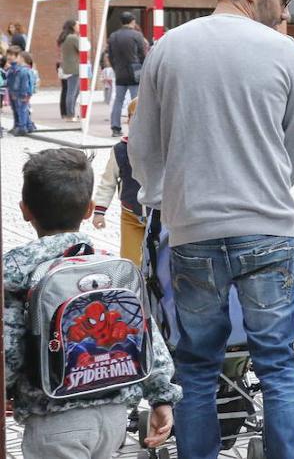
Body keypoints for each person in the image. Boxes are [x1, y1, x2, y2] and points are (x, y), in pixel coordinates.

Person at [129, 0, 294, 459]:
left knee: (197, 367)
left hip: (192, 234)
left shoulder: (168, 48)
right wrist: (265, 191)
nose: (286, 10)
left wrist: (167, 200)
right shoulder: (285, 52)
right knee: (277, 364)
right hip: (269, 229)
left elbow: (142, 148)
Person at [5, 148, 181, 457]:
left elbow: (9, 351)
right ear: (89, 210)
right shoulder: (112, 269)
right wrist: (161, 397)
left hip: (53, 420)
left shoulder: (17, 272)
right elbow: (145, 337)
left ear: (24, 210)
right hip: (113, 417)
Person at [93, 97, 147, 265]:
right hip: (131, 214)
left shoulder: (164, 147)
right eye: (134, 117)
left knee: (161, 259)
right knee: (130, 259)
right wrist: (99, 211)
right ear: (128, 120)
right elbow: (108, 182)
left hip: (161, 215)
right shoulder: (120, 150)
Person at [108, 10, 148, 138]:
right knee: (136, 101)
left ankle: (115, 127)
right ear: (132, 21)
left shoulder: (113, 36)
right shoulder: (136, 35)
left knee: (118, 100)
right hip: (135, 72)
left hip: (120, 72)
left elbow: (111, 55)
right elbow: (142, 54)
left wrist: (115, 68)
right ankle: (138, 128)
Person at [6, 46, 36, 135]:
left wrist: (25, 94)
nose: (9, 57)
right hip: (14, 92)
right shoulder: (14, 68)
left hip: (19, 93)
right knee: (19, 109)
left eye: (12, 55)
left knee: (21, 109)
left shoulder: (21, 70)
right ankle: (25, 125)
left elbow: (24, 83)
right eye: (8, 54)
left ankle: (22, 127)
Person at [57, 19, 81, 122]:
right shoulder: (73, 37)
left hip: (65, 67)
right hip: (74, 67)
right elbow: (83, 49)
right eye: (77, 25)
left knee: (69, 91)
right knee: (72, 91)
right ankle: (70, 115)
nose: (79, 26)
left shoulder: (64, 37)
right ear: (73, 26)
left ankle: (68, 113)